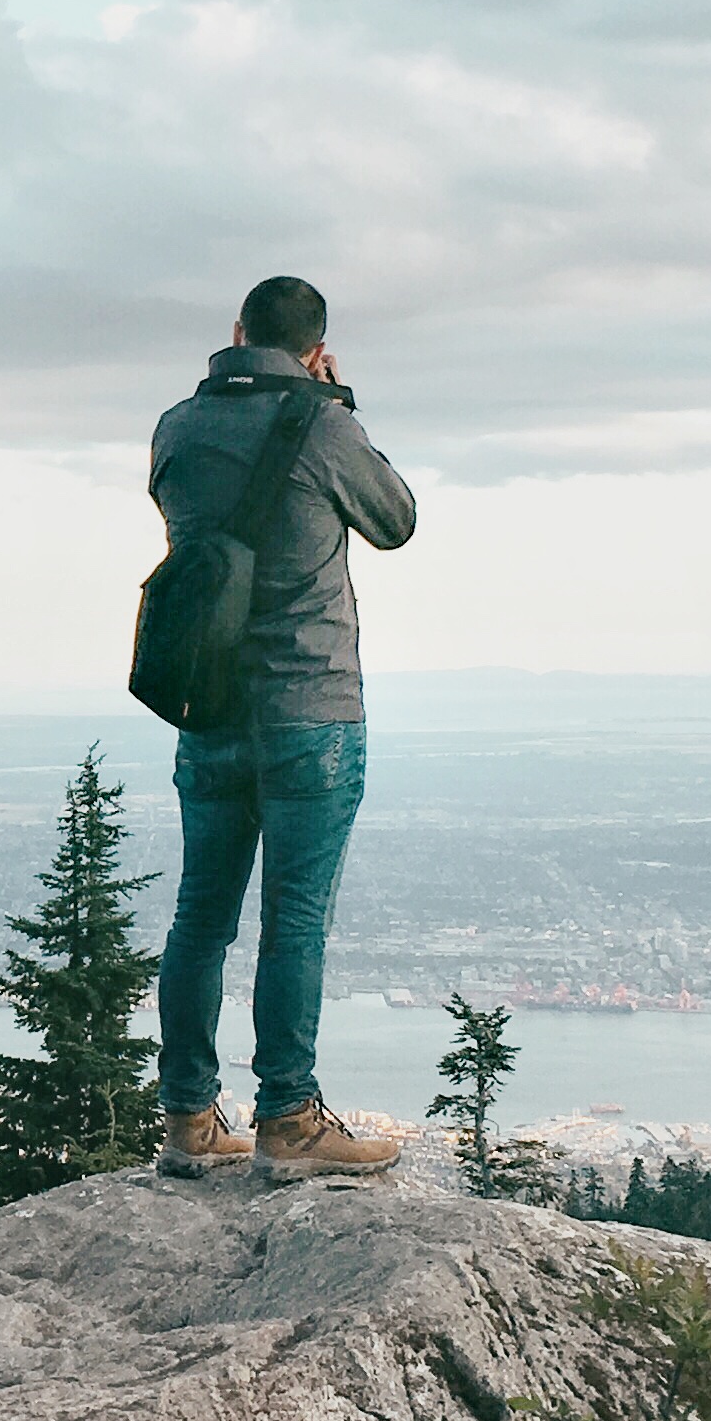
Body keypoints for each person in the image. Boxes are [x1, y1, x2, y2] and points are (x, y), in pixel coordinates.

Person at [148, 276, 417, 1182]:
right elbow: (396, 520)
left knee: (200, 918)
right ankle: (288, 1121)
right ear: (316, 350)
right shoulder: (327, 424)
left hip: (210, 704)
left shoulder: (176, 428)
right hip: (312, 707)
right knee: (293, 921)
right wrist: (336, 404)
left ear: (234, 333)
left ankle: (189, 1119)